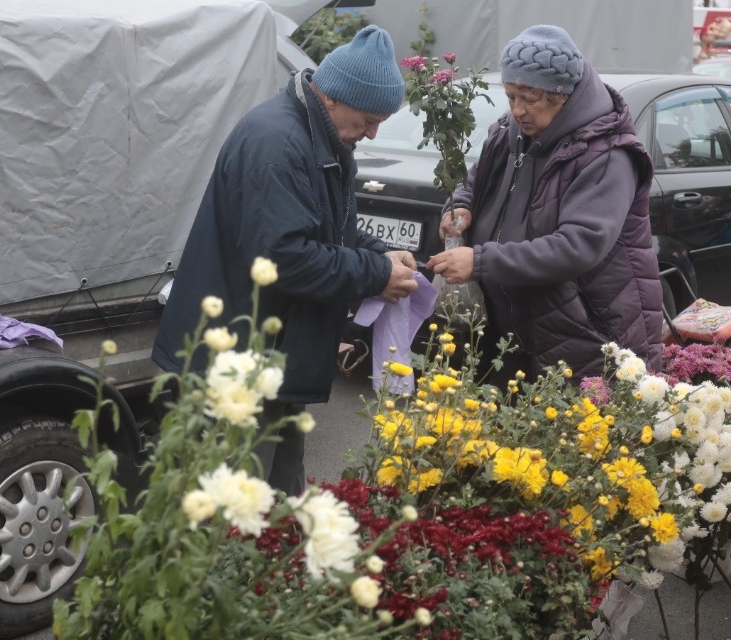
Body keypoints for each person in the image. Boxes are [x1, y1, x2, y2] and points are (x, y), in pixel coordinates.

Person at [151, 25, 419, 496]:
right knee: (233, 513)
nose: (374, 131)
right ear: (334, 97)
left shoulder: (325, 136)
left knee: (277, 504)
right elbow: (284, 259)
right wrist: (375, 275)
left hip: (277, 357)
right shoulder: (277, 144)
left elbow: (324, 227)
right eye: (369, 118)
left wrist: (378, 252)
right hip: (238, 366)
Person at [425, 24, 663, 386]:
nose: (517, 110)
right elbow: (475, 180)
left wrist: (481, 261)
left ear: (562, 96)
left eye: (529, 98)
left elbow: (578, 246)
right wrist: (461, 204)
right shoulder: (511, 133)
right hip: (514, 333)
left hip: (585, 336)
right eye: (510, 96)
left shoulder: (608, 155)